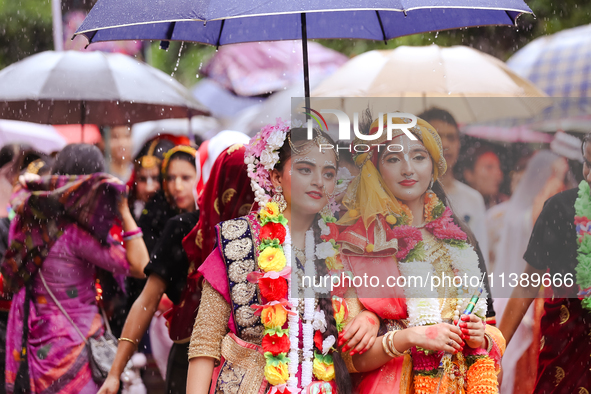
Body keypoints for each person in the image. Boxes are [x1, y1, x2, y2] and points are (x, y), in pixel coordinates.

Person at [186, 121, 381, 394]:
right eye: (305, 170)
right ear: (277, 177)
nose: (318, 182)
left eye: (328, 173)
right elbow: (205, 343)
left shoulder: (338, 248)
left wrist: (371, 320)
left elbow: (349, 349)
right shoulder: (238, 239)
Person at [334, 114, 504, 393]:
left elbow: (489, 326)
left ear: (434, 166)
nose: (408, 169)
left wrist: (481, 339)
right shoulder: (359, 243)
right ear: (375, 168)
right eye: (393, 159)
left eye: (418, 157)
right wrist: (410, 336)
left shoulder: (459, 236)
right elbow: (351, 357)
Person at [1, 143, 149, 394]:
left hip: (39, 348)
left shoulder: (28, 220)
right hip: (75, 347)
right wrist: (123, 208)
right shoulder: (76, 236)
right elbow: (140, 265)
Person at [499, 133, 591, 393]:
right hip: (566, 346)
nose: (590, 177)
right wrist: (497, 349)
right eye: (587, 163)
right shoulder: (560, 209)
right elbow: (528, 283)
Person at [419, 108, 489, 267]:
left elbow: (480, 256)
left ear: (459, 144)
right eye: (436, 136)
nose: (444, 144)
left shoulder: (473, 199)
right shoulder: (408, 196)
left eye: (451, 137)